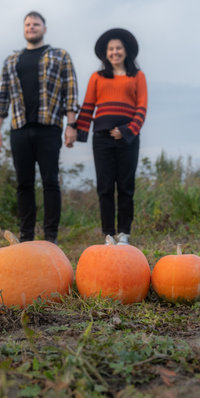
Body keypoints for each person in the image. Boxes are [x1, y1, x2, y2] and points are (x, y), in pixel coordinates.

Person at [0, 11, 79, 244]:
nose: (32, 27)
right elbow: (2, 96)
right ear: (24, 29)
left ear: (44, 28)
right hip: (19, 128)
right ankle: (27, 237)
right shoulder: (12, 61)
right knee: (24, 184)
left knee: (50, 181)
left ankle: (51, 237)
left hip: (48, 128)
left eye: (36, 24)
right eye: (28, 24)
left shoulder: (59, 56)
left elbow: (70, 92)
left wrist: (71, 125)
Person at [75, 28, 148, 245]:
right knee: (105, 187)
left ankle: (124, 233)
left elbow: (142, 108)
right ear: (106, 53)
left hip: (128, 139)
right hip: (102, 139)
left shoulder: (137, 76)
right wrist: (77, 132)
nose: (115, 52)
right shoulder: (97, 77)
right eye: (111, 49)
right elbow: (88, 107)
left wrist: (126, 131)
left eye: (118, 48)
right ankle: (109, 234)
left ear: (126, 51)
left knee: (125, 187)